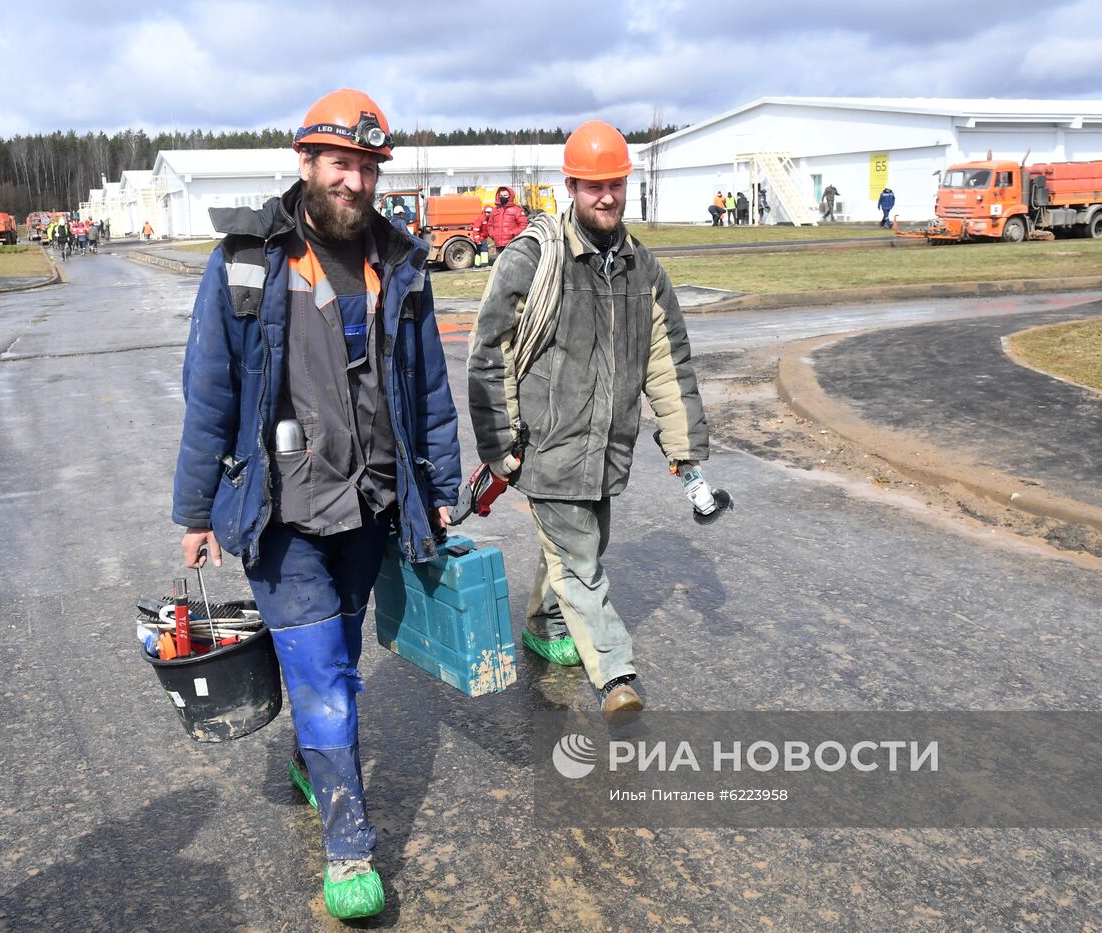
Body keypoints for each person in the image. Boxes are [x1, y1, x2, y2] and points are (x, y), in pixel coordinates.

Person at [172, 88, 460, 921]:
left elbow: (427, 388)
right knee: (324, 673)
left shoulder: (400, 262)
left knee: (335, 652)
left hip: (368, 509)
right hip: (283, 515)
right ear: (306, 163)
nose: (356, 181)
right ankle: (349, 847)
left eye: (368, 167)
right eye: (342, 163)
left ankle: (310, 754)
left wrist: (438, 491)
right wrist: (197, 512)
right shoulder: (245, 261)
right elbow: (210, 393)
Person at [467, 121, 711, 720]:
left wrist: (684, 449)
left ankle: (541, 621)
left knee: (580, 547)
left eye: (616, 185)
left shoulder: (643, 270)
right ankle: (615, 673)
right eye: (593, 186)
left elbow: (667, 360)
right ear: (570, 186)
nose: (606, 197)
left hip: (607, 452)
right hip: (546, 450)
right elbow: (489, 353)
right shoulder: (534, 260)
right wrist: (502, 447)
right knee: (581, 563)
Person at [486, 185, 528, 260]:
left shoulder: (516, 210)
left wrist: (513, 234)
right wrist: (493, 235)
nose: (502, 197)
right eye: (501, 195)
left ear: (510, 196)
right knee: (499, 267)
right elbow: (489, 225)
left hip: (512, 244)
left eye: (505, 195)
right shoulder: (495, 210)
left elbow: (523, 225)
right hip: (498, 245)